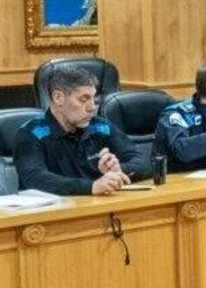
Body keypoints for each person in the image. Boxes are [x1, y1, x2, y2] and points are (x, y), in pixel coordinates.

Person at [14, 65, 148, 195]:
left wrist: (118, 170)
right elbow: (35, 179)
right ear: (58, 98)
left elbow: (144, 162)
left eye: (94, 99)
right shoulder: (32, 134)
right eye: (83, 99)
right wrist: (91, 186)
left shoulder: (101, 127)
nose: (92, 107)